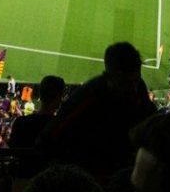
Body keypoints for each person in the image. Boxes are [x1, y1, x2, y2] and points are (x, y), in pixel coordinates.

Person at [39, 41, 156, 180]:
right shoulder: (88, 97)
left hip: (123, 174)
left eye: (135, 81)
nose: (133, 89)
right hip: (93, 178)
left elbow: (150, 118)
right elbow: (47, 139)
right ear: (109, 76)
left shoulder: (138, 89)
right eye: (125, 83)